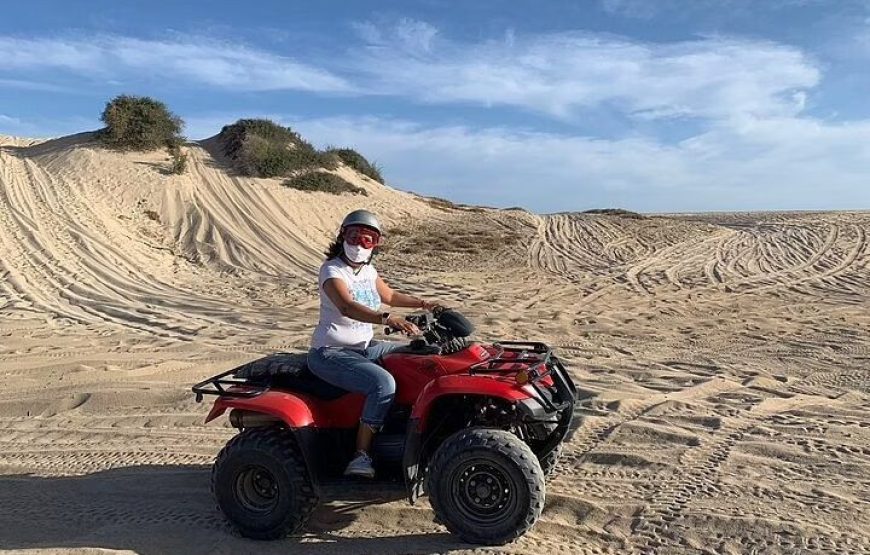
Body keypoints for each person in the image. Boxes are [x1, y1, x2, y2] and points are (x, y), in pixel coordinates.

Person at [307, 209, 442, 478]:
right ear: (343, 236)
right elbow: (346, 306)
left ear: (375, 244)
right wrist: (387, 319)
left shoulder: (368, 271)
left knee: (415, 356)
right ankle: (361, 455)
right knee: (383, 384)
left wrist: (426, 304)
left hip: (365, 346)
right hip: (330, 352)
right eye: (354, 236)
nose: (359, 244)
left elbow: (389, 295)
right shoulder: (332, 270)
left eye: (367, 239)